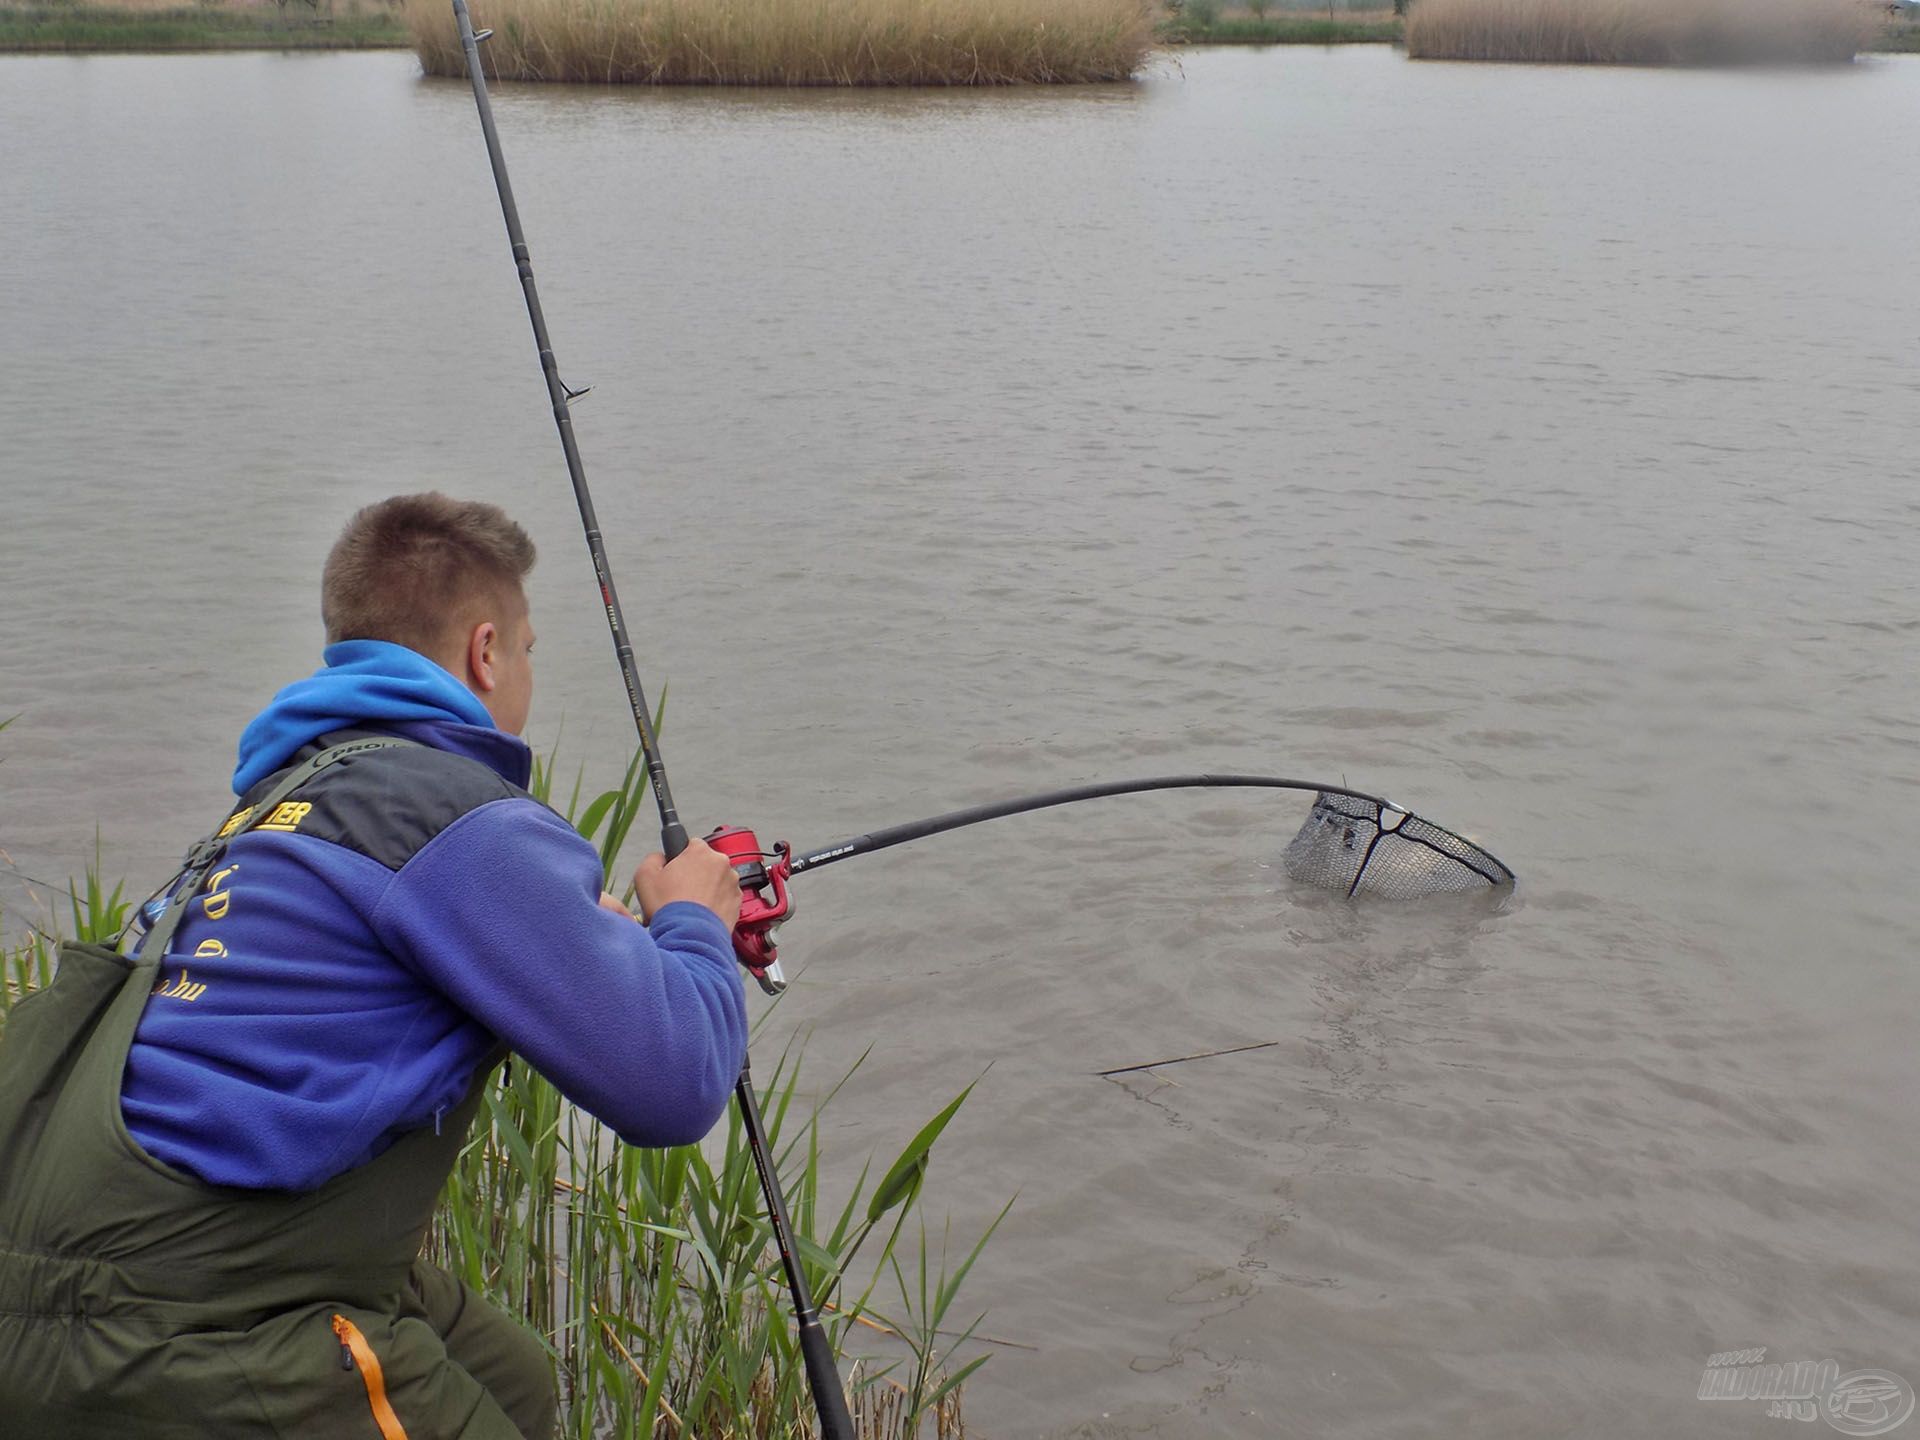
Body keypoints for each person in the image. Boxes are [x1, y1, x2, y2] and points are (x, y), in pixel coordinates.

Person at [0, 493, 749, 1439]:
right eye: (525, 649)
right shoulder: (457, 813)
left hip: (42, 1267)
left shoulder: (280, 804)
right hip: (174, 1320)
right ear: (485, 652)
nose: (523, 674)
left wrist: (568, 936)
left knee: (508, 1378)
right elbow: (674, 1082)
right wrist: (692, 925)